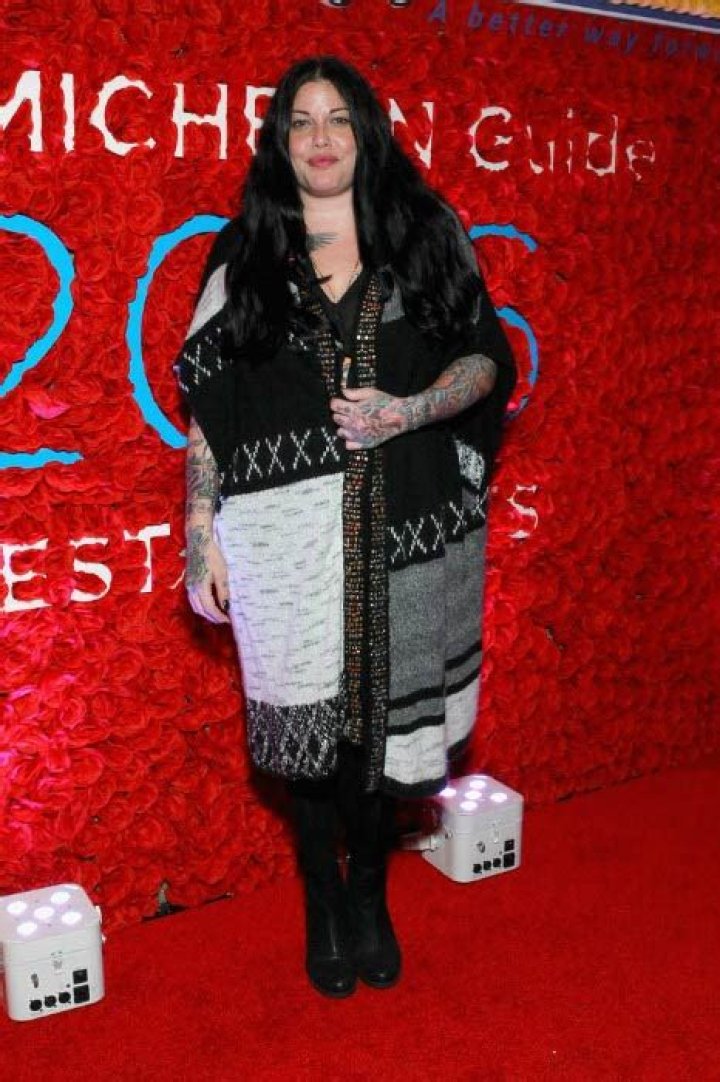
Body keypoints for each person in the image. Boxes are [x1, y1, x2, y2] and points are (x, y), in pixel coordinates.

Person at [175, 55, 516, 999]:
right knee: (310, 738)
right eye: (300, 121)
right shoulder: (244, 252)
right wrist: (200, 533)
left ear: (367, 133)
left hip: (409, 528)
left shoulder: (426, 233)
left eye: (337, 119)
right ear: (279, 142)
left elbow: (485, 359)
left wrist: (408, 410)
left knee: (378, 738)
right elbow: (212, 408)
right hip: (284, 542)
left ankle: (369, 894)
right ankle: (321, 902)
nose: (320, 139)